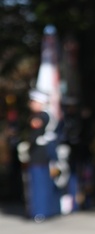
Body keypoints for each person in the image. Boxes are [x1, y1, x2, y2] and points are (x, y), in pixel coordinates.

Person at [18, 89, 59, 222]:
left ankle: (39, 211)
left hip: (37, 155)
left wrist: (27, 145)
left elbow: (34, 137)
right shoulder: (47, 115)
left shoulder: (39, 117)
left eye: (33, 102)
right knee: (43, 182)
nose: (31, 104)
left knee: (38, 184)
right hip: (43, 154)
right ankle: (46, 210)